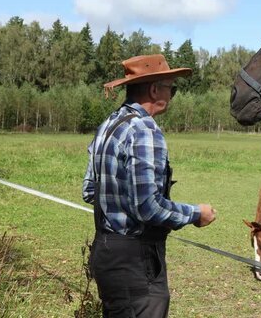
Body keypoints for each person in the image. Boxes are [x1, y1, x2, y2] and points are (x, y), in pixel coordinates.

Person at [82, 54, 216, 317]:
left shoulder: (109, 125)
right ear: (155, 90)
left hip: (106, 251)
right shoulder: (144, 130)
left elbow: (89, 191)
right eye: (171, 88)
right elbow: (148, 207)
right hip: (135, 260)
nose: (173, 94)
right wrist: (195, 214)